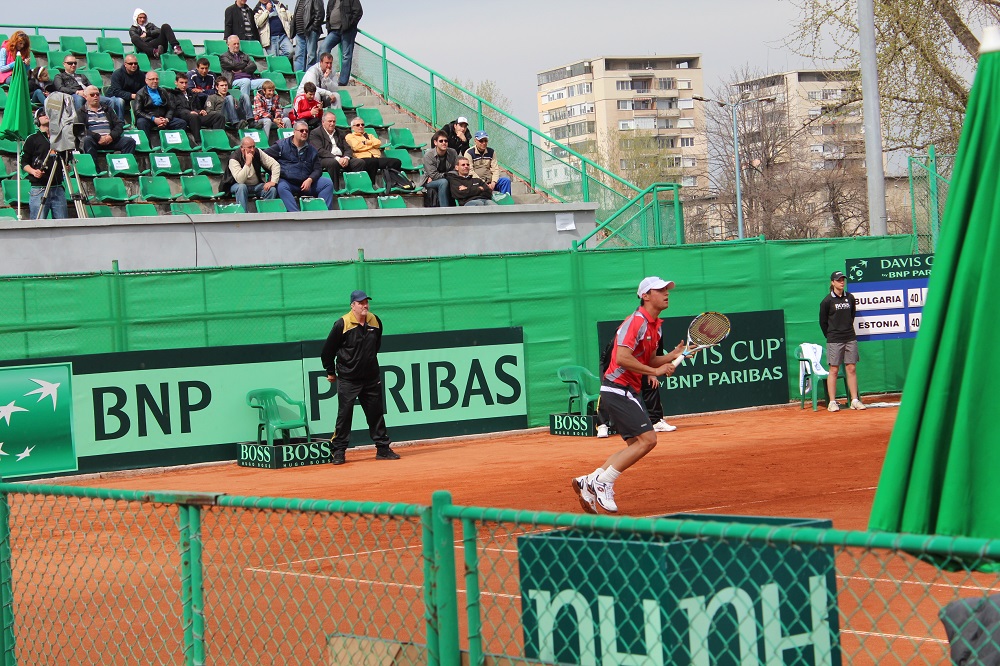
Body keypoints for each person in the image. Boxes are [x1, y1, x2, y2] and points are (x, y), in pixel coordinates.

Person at [572, 277, 690, 514]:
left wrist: (673, 355)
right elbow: (623, 358)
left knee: (635, 444)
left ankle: (590, 480)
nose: (666, 293)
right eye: (660, 290)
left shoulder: (656, 326)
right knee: (648, 440)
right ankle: (604, 482)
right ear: (645, 296)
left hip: (627, 390)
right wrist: (655, 371)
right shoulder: (635, 322)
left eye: (667, 289)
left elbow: (649, 359)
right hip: (617, 388)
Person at [320, 289, 400, 465]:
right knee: (345, 415)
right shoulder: (342, 324)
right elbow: (327, 351)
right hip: (348, 379)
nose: (365, 305)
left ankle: (383, 449)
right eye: (360, 302)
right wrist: (331, 371)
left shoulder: (375, 321)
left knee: (376, 413)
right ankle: (339, 451)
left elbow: (375, 345)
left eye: (366, 302)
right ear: (352, 305)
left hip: (371, 377)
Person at [263, 120, 335, 211]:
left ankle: (324, 213)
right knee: (281, 187)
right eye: (301, 131)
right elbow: (264, 158)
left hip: (306, 184)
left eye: (306, 131)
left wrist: (310, 179)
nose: (304, 133)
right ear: (294, 132)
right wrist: (274, 176)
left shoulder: (312, 150)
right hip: (288, 182)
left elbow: (318, 169)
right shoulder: (281, 145)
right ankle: (295, 214)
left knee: (327, 183)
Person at [820, 270, 866, 412]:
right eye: (838, 280)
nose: (841, 282)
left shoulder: (850, 298)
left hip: (850, 337)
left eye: (843, 279)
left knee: (851, 368)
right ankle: (832, 402)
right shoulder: (827, 301)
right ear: (832, 282)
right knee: (834, 369)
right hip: (834, 339)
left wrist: (846, 331)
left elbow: (851, 316)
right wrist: (831, 335)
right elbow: (823, 322)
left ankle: (854, 400)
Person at [22, 115, 68, 220]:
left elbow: (67, 159)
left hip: (58, 188)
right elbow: (23, 162)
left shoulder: (59, 138)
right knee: (38, 225)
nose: (47, 115)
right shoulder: (32, 138)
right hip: (39, 189)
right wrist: (34, 172)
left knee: (63, 224)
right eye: (43, 114)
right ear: (37, 119)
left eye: (48, 113)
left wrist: (66, 166)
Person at [220, 136, 281, 212]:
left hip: (256, 185)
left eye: (253, 147)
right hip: (236, 185)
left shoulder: (258, 152)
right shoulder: (234, 158)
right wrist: (247, 164)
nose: (252, 150)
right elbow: (240, 180)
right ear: (242, 148)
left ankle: (267, 213)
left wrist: (273, 181)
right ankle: (243, 215)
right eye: (249, 147)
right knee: (242, 187)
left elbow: (275, 165)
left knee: (271, 189)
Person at [54, 55, 125, 117]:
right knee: (79, 98)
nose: (73, 65)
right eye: (70, 63)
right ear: (64, 64)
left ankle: (108, 121)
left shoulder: (82, 76)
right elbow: (60, 88)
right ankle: (80, 121)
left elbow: (90, 86)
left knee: (109, 101)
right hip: (74, 95)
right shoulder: (59, 76)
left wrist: (92, 92)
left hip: (89, 94)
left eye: (75, 63)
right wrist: (77, 92)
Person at [74, 86, 136, 156]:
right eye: (92, 95)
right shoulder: (81, 112)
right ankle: (95, 166)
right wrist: (98, 137)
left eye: (97, 94)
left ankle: (126, 165)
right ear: (85, 97)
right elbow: (81, 129)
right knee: (87, 140)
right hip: (94, 140)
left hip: (110, 139)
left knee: (129, 142)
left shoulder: (107, 109)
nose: (95, 96)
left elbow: (119, 124)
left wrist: (111, 136)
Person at [309, 111, 362, 189]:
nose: (332, 123)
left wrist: (346, 158)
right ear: (323, 122)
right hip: (324, 158)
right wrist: (337, 158)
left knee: (359, 162)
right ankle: (335, 189)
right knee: (333, 163)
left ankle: (355, 188)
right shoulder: (315, 133)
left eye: (334, 121)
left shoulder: (340, 132)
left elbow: (347, 148)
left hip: (341, 158)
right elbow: (320, 150)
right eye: (330, 121)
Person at [344, 117, 403, 188]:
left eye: (362, 124)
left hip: (376, 157)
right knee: (372, 162)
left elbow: (378, 143)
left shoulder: (369, 135)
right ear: (352, 127)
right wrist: (371, 145)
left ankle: (393, 182)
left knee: (396, 162)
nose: (361, 126)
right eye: (358, 125)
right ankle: (372, 184)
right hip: (362, 159)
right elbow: (357, 147)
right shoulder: (350, 136)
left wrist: (366, 142)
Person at [220, 35, 266, 121]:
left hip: (250, 80)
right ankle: (245, 108)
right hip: (233, 80)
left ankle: (265, 107)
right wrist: (244, 65)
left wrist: (241, 70)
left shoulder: (244, 55)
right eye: (234, 44)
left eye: (238, 44)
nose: (237, 46)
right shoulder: (224, 57)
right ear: (228, 44)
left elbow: (253, 66)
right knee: (246, 81)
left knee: (267, 82)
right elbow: (232, 65)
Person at [133, 71, 187, 144]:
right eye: (152, 79)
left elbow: (171, 107)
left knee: (181, 123)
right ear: (146, 81)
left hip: (163, 117)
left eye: (157, 79)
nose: (155, 81)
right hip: (149, 118)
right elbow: (137, 111)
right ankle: (147, 144)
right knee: (141, 122)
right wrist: (154, 119)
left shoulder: (163, 91)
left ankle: (175, 144)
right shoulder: (140, 93)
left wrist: (166, 119)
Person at [171, 72, 226, 141]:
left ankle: (218, 140)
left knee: (218, 116)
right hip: (184, 116)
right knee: (194, 116)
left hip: (196, 115)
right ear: (176, 83)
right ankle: (198, 141)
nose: (184, 85)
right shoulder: (173, 94)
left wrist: (201, 111)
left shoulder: (192, 93)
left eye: (186, 83)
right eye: (181, 83)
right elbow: (176, 110)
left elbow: (198, 107)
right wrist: (190, 112)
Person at [320, 0, 363, 87]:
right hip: (333, 30)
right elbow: (328, 13)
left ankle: (343, 82)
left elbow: (358, 12)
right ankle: (322, 75)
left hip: (347, 31)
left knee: (346, 55)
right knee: (323, 48)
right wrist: (328, 25)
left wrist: (349, 25)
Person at [465, 131, 512, 196]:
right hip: (476, 182)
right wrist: (483, 183)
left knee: (505, 181)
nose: (484, 143)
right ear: (475, 141)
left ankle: (506, 202)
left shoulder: (491, 152)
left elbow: (495, 169)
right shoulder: (469, 153)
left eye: (485, 141)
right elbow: (470, 171)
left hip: (490, 181)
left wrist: (493, 182)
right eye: (481, 141)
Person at [422, 130, 457, 207]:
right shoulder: (429, 155)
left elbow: (456, 171)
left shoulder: (453, 153)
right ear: (435, 143)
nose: (444, 143)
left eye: (446, 141)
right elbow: (434, 175)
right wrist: (448, 175)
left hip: (446, 179)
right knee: (443, 182)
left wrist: (448, 175)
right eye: (441, 141)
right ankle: (444, 210)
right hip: (429, 182)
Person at [292, 0, 325, 73]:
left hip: (310, 31)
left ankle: (310, 77)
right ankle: (299, 78)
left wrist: (313, 27)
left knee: (311, 55)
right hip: (299, 31)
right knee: (298, 56)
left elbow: (320, 13)